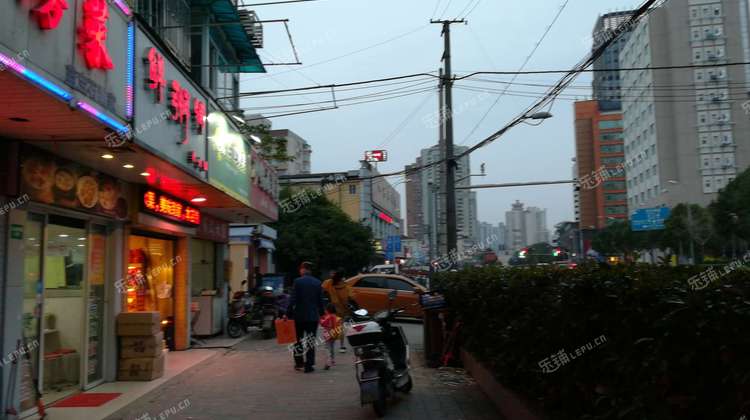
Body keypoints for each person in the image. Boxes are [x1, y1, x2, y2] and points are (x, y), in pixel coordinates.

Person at [287, 261, 324, 373]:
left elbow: (293, 299)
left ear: (303, 269)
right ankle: (309, 365)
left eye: (300, 269)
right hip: (313, 317)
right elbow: (320, 301)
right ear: (310, 270)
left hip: (299, 316)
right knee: (310, 341)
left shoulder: (297, 281)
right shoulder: (317, 282)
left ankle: (299, 363)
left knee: (297, 340)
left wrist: (288, 313)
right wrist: (322, 313)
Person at [321, 269, 357, 353]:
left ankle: (329, 344)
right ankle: (342, 346)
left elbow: (321, 290)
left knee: (329, 327)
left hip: (331, 309)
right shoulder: (346, 286)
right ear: (342, 277)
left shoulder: (328, 282)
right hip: (343, 310)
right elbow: (352, 297)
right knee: (340, 328)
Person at [319, 303, 341, 370]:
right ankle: (332, 360)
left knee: (327, 348)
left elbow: (323, 323)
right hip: (334, 333)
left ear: (327, 310)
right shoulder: (335, 316)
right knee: (332, 348)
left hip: (328, 334)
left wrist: (320, 319)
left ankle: (327, 363)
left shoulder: (328, 317)